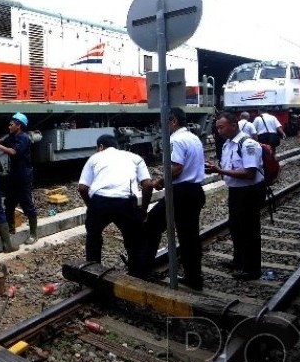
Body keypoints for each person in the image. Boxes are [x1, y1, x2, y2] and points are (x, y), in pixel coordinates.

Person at [143, 107, 206, 290]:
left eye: (164, 122)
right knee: (190, 237)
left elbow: (177, 168)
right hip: (195, 191)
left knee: (152, 225)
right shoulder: (193, 138)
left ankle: (143, 268)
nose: (162, 127)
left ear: (173, 121)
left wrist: (160, 181)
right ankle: (194, 279)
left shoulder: (176, 139)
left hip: (181, 193)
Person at [77, 134, 153, 277]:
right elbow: (148, 185)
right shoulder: (135, 157)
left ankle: (93, 274)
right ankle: (137, 276)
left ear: (100, 147)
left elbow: (82, 188)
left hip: (100, 202)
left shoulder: (94, 158)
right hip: (126, 202)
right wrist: (142, 209)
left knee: (93, 236)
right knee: (134, 240)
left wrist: (91, 206)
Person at [206, 112, 266, 281]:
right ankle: (239, 261)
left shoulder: (248, 145)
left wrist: (219, 171)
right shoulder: (227, 145)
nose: (219, 131)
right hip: (236, 191)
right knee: (236, 227)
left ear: (234, 125)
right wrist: (217, 167)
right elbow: (231, 168)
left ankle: (253, 270)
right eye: (217, 127)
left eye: (221, 127)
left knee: (250, 231)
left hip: (249, 192)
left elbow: (249, 173)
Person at [0, 112, 39, 244]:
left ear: (18, 126)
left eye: (11, 124)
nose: (9, 126)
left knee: (27, 204)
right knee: (9, 202)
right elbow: (3, 141)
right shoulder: (13, 136)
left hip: (24, 176)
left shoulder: (23, 138)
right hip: (14, 175)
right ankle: (10, 229)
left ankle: (34, 234)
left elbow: (14, 152)